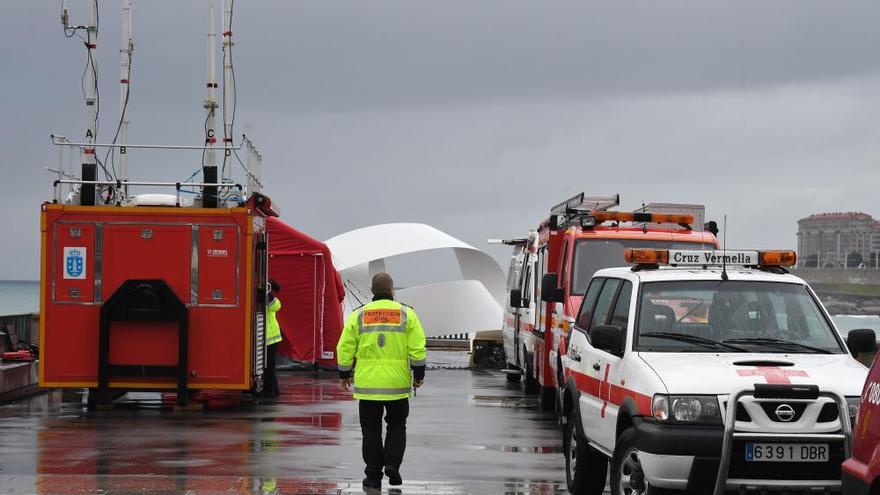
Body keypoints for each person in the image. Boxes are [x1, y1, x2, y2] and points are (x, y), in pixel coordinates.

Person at [336, 272, 427, 491]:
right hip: (396, 385)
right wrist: (419, 375)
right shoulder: (407, 314)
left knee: (371, 431)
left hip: (368, 387)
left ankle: (373, 477)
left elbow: (344, 347)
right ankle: (393, 464)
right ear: (392, 290)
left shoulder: (359, 315)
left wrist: (344, 374)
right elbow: (417, 348)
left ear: (372, 291)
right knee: (397, 426)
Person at [263, 279, 283, 399]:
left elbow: (276, 306)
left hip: (271, 339)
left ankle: (271, 391)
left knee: (269, 367)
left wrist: (268, 293)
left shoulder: (270, 299)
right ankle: (272, 390)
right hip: (267, 338)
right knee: (268, 367)